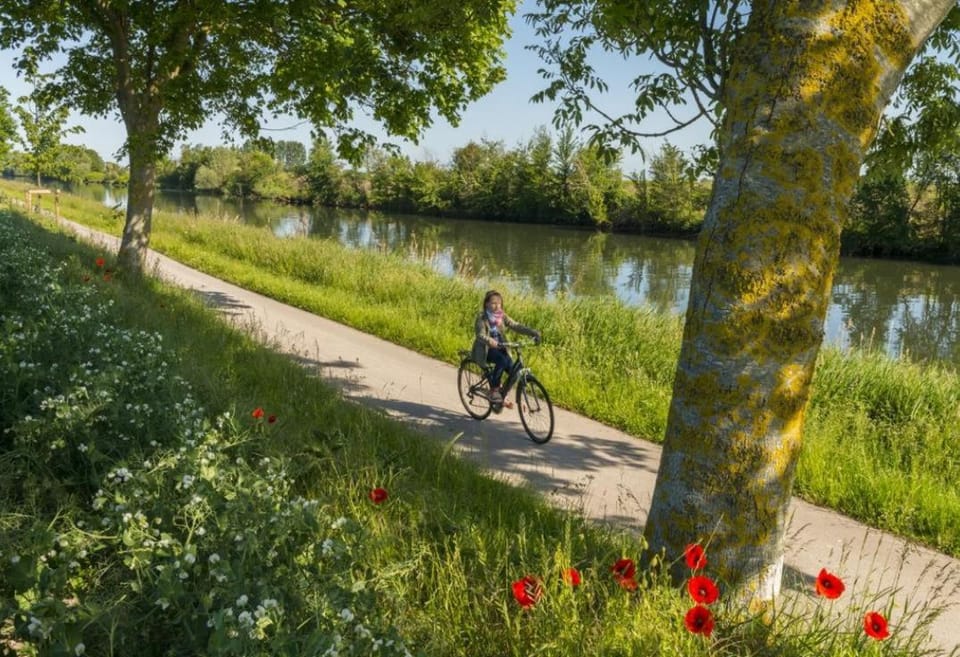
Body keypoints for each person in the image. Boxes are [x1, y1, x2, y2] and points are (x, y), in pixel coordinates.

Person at [471, 289, 541, 408]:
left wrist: (532, 332)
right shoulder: (482, 318)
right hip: (486, 349)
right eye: (493, 303)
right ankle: (494, 389)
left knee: (514, 371)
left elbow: (515, 325)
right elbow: (480, 335)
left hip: (501, 347)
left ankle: (503, 393)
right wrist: (490, 340)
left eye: (499, 303)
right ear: (486, 304)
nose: (496, 305)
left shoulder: (501, 316)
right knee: (502, 360)